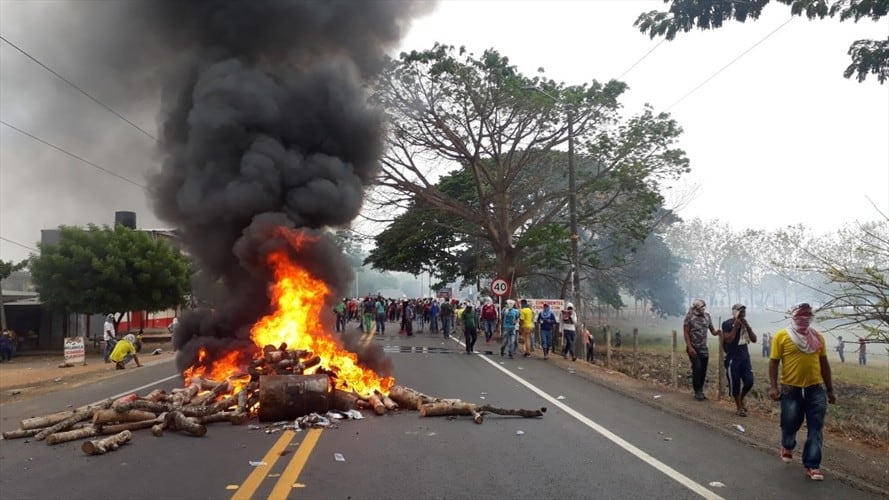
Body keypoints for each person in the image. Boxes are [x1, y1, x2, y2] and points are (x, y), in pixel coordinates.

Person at [768, 302, 835, 481]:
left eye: (808, 317)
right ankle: (787, 444)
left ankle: (812, 465)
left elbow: (824, 363)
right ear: (794, 317)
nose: (804, 320)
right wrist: (773, 387)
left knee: (816, 427)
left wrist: (830, 389)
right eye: (800, 317)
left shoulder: (818, 337)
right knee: (790, 421)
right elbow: (774, 362)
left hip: (815, 388)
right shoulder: (782, 336)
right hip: (791, 388)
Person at [721, 304, 757, 417]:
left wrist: (748, 326)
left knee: (749, 382)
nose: (742, 314)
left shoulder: (745, 324)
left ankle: (741, 399)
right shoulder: (727, 324)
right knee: (735, 382)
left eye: (744, 312)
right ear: (735, 312)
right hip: (733, 358)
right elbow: (728, 340)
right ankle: (738, 407)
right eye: (740, 312)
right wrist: (735, 327)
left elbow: (754, 339)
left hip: (745, 357)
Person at [683, 299, 721, 401]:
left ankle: (701, 390)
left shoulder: (707, 316)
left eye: (704, 306)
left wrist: (717, 332)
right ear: (696, 307)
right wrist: (690, 347)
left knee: (703, 370)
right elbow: (686, 332)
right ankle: (697, 391)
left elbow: (712, 330)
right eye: (701, 307)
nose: (703, 309)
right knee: (697, 368)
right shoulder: (690, 317)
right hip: (693, 347)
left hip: (704, 347)